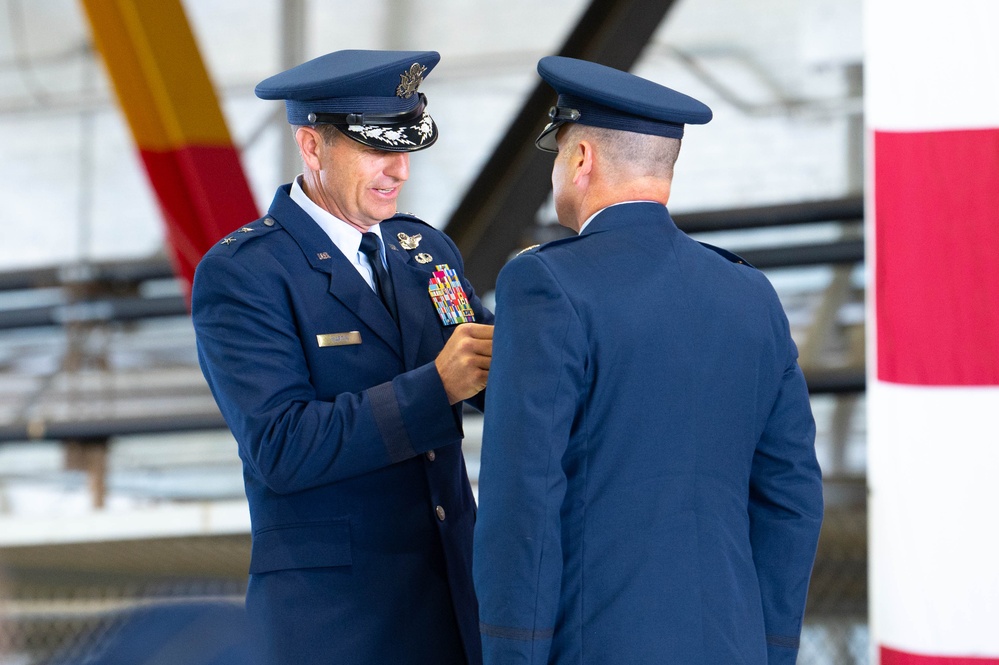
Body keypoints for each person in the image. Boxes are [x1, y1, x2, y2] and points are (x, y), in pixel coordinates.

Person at [473, 56, 824, 665]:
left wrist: (512, 655)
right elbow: (792, 495)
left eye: (558, 153)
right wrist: (769, 649)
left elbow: (524, 499)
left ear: (581, 159)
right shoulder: (749, 293)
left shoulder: (545, 284)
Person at [192, 49, 493, 665]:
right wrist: (434, 388)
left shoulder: (424, 252)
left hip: (454, 608)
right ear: (311, 145)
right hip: (334, 625)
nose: (399, 171)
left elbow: (490, 373)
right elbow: (282, 446)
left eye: (406, 148)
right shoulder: (245, 274)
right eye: (378, 149)